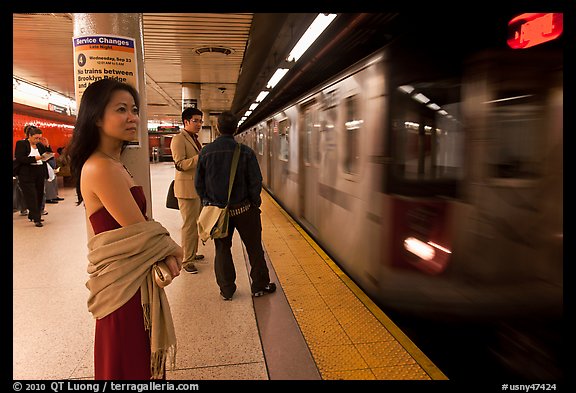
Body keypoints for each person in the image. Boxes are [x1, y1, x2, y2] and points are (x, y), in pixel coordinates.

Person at [67, 78, 183, 380]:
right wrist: (174, 250)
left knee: (134, 362)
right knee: (129, 364)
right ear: (96, 117)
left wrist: (163, 247)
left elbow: (143, 229)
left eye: (134, 109)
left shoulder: (114, 163)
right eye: (121, 109)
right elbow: (142, 233)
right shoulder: (101, 168)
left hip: (131, 283)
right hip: (123, 290)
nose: (132, 117)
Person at [195, 111, 276, 301]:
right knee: (254, 248)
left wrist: (209, 203)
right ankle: (259, 286)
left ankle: (227, 290)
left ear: (217, 128)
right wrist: (253, 204)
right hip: (244, 209)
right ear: (236, 129)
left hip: (218, 212)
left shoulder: (206, 153)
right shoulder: (245, 152)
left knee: (222, 249)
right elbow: (256, 182)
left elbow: (199, 184)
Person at [170, 107, 206, 274]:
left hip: (196, 188)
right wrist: (200, 157)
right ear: (186, 122)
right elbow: (180, 165)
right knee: (189, 226)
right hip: (186, 190)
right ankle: (187, 261)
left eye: (200, 121)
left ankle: (192, 252)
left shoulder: (193, 138)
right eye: (195, 121)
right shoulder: (179, 139)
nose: (199, 124)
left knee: (195, 223)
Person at [13, 125, 52, 227]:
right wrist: (36, 158)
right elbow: (20, 158)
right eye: (35, 138)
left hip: (39, 171)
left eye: (39, 138)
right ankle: (37, 219)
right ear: (29, 136)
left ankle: (34, 214)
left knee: (39, 194)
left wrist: (47, 146)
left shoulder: (39, 145)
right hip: (26, 173)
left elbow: (47, 155)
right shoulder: (21, 144)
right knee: (31, 195)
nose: (37, 140)